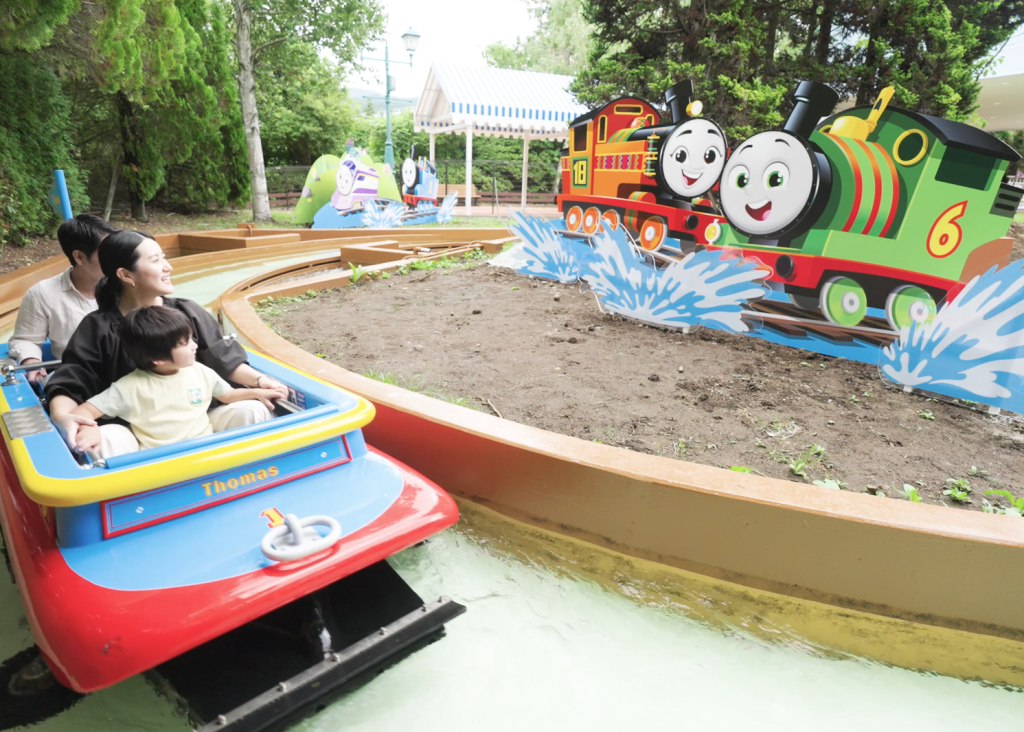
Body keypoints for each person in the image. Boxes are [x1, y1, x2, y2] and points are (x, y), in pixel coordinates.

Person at [45, 230, 290, 457]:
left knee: (253, 410)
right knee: (104, 440)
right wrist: (66, 417)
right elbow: (71, 381)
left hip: (197, 420)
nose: (168, 267)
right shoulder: (98, 327)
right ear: (125, 275)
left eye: (164, 258)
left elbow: (223, 359)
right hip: (135, 433)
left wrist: (261, 381)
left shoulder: (187, 311)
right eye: (155, 260)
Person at [71, 307, 282, 453]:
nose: (194, 345)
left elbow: (228, 395)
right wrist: (89, 428)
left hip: (207, 448)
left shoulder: (200, 371)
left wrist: (256, 391)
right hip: (160, 461)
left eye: (191, 338)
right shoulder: (129, 387)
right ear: (157, 359)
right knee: (107, 434)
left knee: (254, 409)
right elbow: (83, 411)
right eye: (184, 343)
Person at [7, 214, 118, 382]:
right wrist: (32, 361)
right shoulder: (42, 294)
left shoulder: (128, 284)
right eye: (107, 253)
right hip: (78, 380)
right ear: (79, 257)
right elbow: (25, 339)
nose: (117, 260)